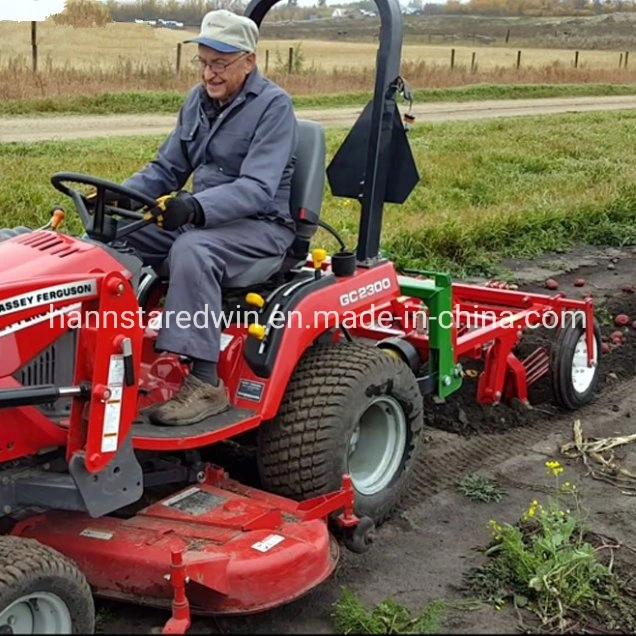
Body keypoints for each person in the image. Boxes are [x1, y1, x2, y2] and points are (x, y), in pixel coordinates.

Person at [118, 9, 298, 427]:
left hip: (261, 226)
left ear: (249, 61)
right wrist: (119, 199)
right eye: (202, 62)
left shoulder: (274, 107)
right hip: (206, 219)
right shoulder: (197, 101)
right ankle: (106, 347)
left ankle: (204, 381)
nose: (208, 74)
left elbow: (257, 188)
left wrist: (197, 208)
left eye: (220, 64)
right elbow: (165, 169)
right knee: (119, 236)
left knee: (193, 248)